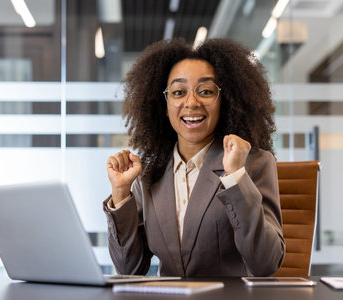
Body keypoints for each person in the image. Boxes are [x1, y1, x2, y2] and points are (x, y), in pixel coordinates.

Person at [103, 38, 285, 277]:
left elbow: (266, 264)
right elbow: (129, 269)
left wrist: (235, 177)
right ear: (164, 103)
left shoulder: (253, 163)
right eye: (178, 92)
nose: (191, 102)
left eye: (206, 91)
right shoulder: (148, 174)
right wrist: (121, 194)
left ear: (225, 100)